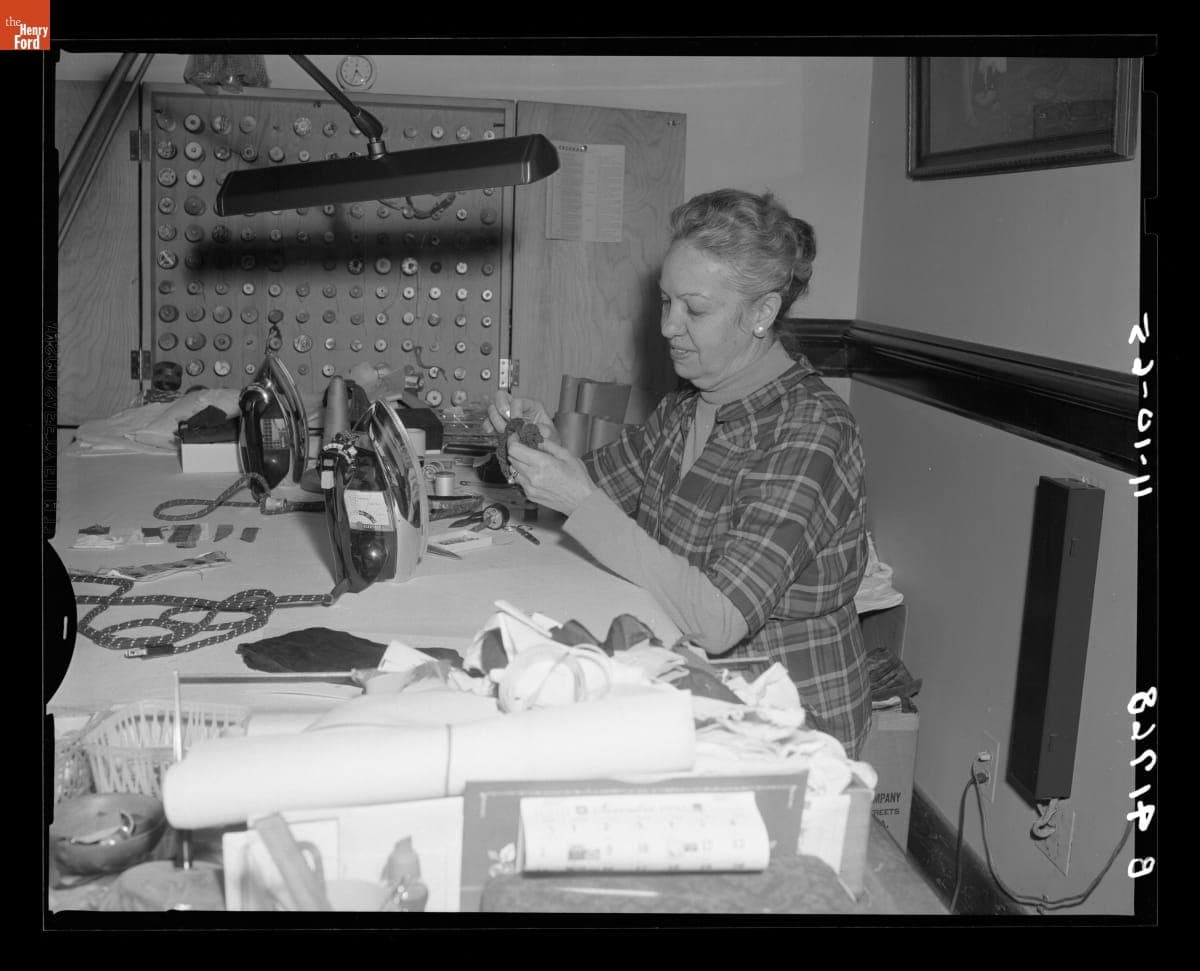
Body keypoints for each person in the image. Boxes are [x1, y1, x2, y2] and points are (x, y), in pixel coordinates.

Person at [486, 189, 872, 757]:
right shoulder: (686, 408)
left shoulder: (812, 431)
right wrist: (530, 446)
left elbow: (719, 619)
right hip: (697, 694)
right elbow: (581, 490)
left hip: (788, 728)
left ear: (762, 313)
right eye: (665, 302)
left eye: (694, 309)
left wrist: (580, 500)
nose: (668, 326)